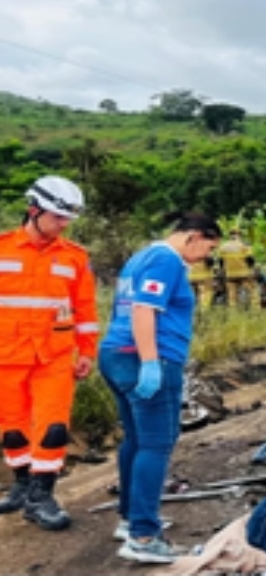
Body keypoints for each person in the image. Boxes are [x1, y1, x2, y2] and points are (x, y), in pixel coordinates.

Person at [98, 212, 222, 564]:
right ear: (195, 236)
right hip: (145, 358)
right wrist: (151, 363)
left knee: (136, 440)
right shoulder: (166, 261)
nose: (204, 258)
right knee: (156, 444)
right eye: (208, 249)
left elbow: (119, 310)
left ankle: (130, 518)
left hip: (116, 354)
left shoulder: (140, 257)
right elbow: (142, 310)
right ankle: (143, 536)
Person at [0, 175, 98, 531]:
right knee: (11, 428)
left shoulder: (74, 257)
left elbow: (85, 309)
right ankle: (23, 487)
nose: (63, 224)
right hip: (5, 356)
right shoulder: (2, 248)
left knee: (53, 427)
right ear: (33, 210)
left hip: (53, 357)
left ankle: (42, 497)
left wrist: (87, 350)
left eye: (66, 218)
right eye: (57, 217)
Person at [217, 228, 259, 309]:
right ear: (239, 235)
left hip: (230, 274)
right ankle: (255, 310)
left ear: (230, 235)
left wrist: (223, 271)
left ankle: (233, 313)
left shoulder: (223, 247)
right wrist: (253, 269)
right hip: (244, 273)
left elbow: (221, 262)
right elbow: (250, 260)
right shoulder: (244, 245)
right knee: (253, 292)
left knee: (232, 296)